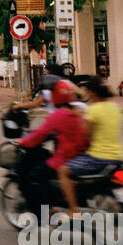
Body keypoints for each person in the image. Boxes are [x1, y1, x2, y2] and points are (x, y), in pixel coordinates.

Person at [16, 79, 87, 214]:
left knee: (36, 176)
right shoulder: (78, 111)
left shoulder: (58, 115)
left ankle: (45, 212)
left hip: (65, 158)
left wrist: (22, 142)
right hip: (80, 155)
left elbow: (39, 135)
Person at [66, 78, 123, 177]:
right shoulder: (115, 107)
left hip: (98, 156)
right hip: (118, 155)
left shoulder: (93, 110)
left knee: (63, 170)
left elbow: (87, 134)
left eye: (88, 92)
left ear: (92, 93)